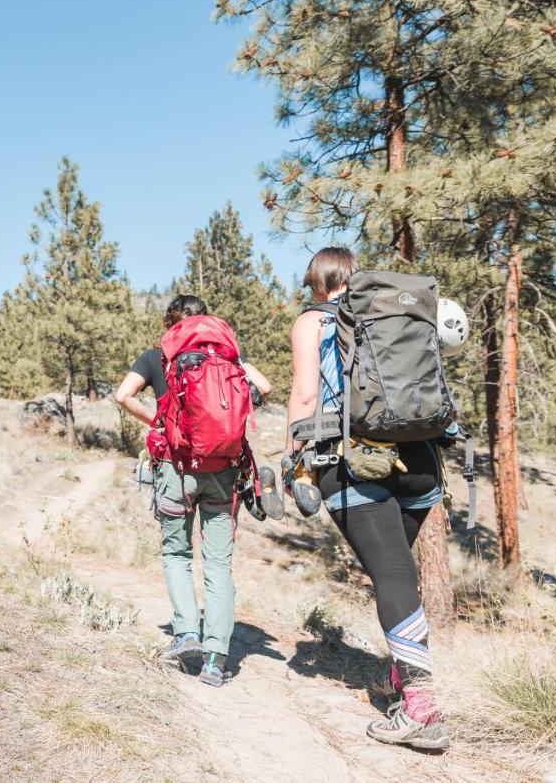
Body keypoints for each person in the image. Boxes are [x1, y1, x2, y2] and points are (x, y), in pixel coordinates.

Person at [284, 247, 449, 751]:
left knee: (393, 575)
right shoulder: (398, 312)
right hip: (421, 462)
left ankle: (421, 708)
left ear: (315, 281)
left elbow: (306, 396)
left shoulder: (311, 322)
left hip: (353, 461)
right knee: (398, 571)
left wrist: (293, 457)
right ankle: (400, 678)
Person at [115, 294, 272, 687]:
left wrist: (161, 421)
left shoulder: (158, 356)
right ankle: (217, 658)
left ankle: (186, 634)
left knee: (176, 552)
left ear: (171, 323)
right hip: (223, 469)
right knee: (218, 562)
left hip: (175, 468)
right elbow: (264, 387)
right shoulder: (228, 355)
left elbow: (122, 395)